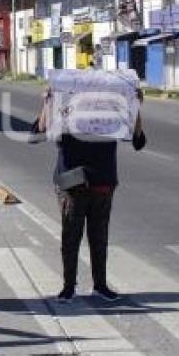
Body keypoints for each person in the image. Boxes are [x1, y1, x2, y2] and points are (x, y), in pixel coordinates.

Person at [34, 85, 146, 303]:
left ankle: (100, 285)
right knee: (71, 237)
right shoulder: (64, 112)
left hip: (102, 182)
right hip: (72, 183)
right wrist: (47, 102)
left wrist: (135, 105)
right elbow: (39, 131)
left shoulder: (109, 114)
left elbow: (137, 139)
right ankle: (68, 286)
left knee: (99, 237)